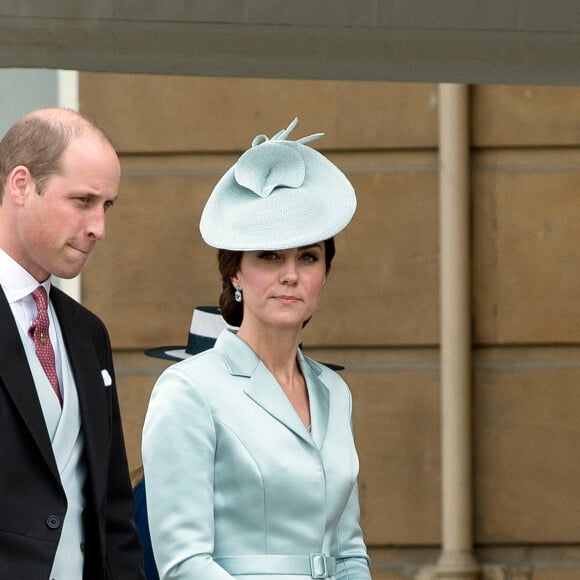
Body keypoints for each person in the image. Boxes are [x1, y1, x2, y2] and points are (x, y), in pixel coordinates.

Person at [142, 118, 371, 579]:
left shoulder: (334, 392)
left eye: (308, 257)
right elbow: (184, 564)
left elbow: (349, 553)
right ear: (235, 272)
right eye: (269, 256)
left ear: (324, 275)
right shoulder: (189, 389)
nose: (291, 275)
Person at [0, 108, 144, 579]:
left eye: (107, 206)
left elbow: (114, 514)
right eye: (83, 200)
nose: (99, 226)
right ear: (21, 185)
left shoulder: (87, 334)